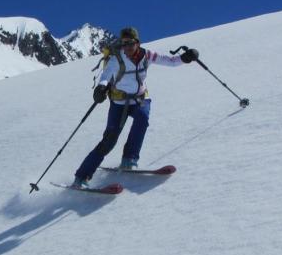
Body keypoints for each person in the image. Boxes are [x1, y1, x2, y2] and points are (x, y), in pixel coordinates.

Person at [72, 27, 198, 188]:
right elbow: (105, 76)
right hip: (118, 103)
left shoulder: (147, 55)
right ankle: (81, 177)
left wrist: (185, 58)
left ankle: (129, 160)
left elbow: (170, 61)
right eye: (124, 44)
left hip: (140, 99)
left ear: (137, 43)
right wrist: (101, 88)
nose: (127, 47)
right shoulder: (116, 59)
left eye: (131, 43)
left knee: (142, 119)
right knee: (109, 141)